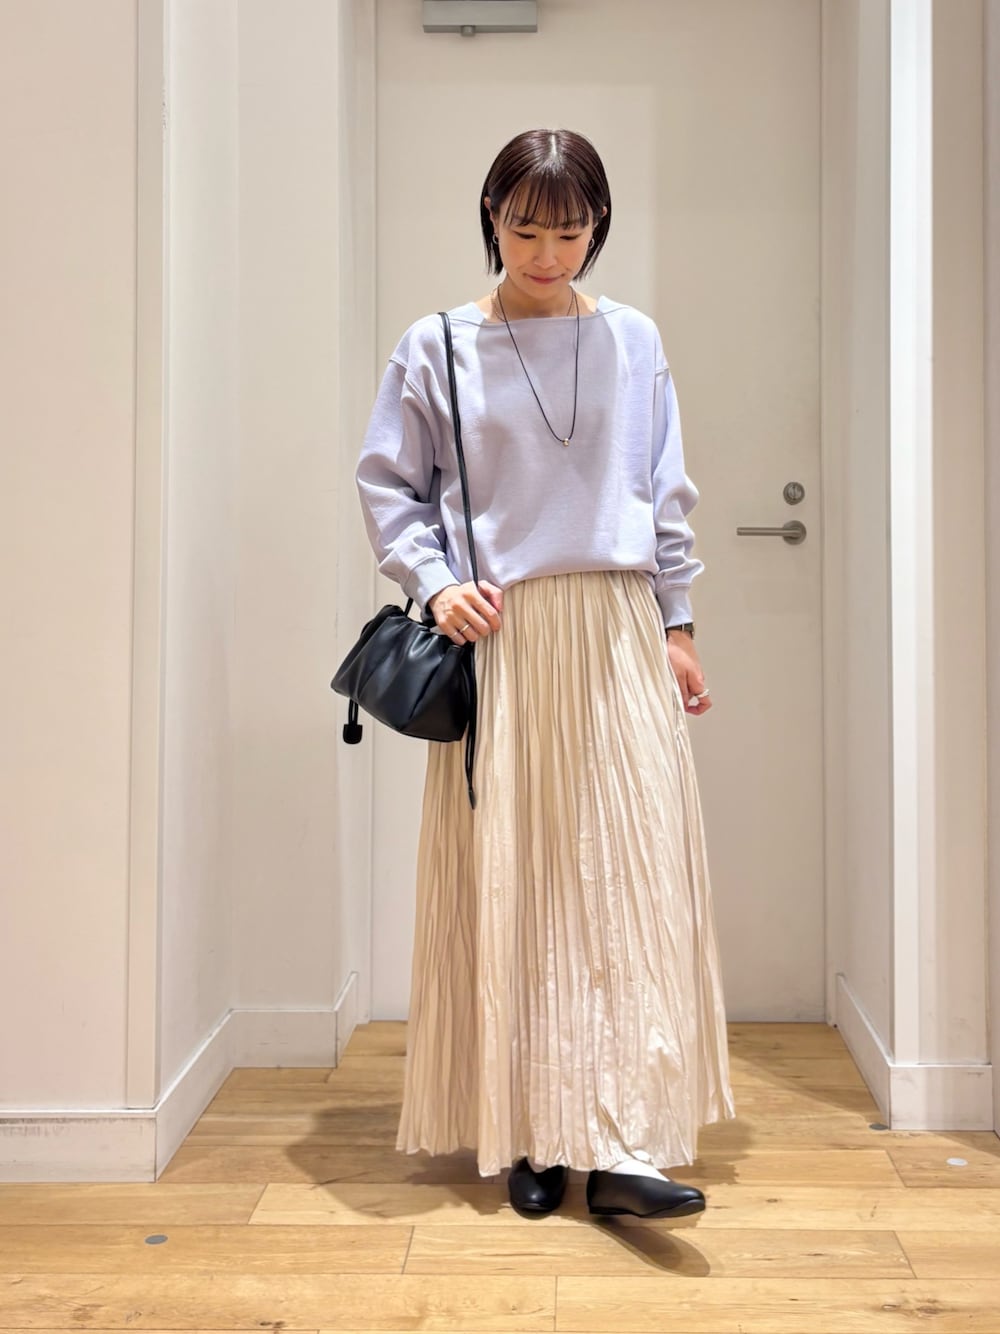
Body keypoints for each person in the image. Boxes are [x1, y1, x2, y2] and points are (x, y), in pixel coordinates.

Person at [355, 128, 735, 1220]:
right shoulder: (437, 345)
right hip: (507, 639)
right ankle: (527, 1126)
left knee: (626, 876)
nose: (547, 254)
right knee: (517, 882)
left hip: (616, 628)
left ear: (597, 228)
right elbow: (389, 487)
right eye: (526, 230)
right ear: (492, 217)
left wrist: (678, 621)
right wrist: (437, 586)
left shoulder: (632, 338)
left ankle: (622, 1142)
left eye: (570, 233)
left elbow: (664, 488)